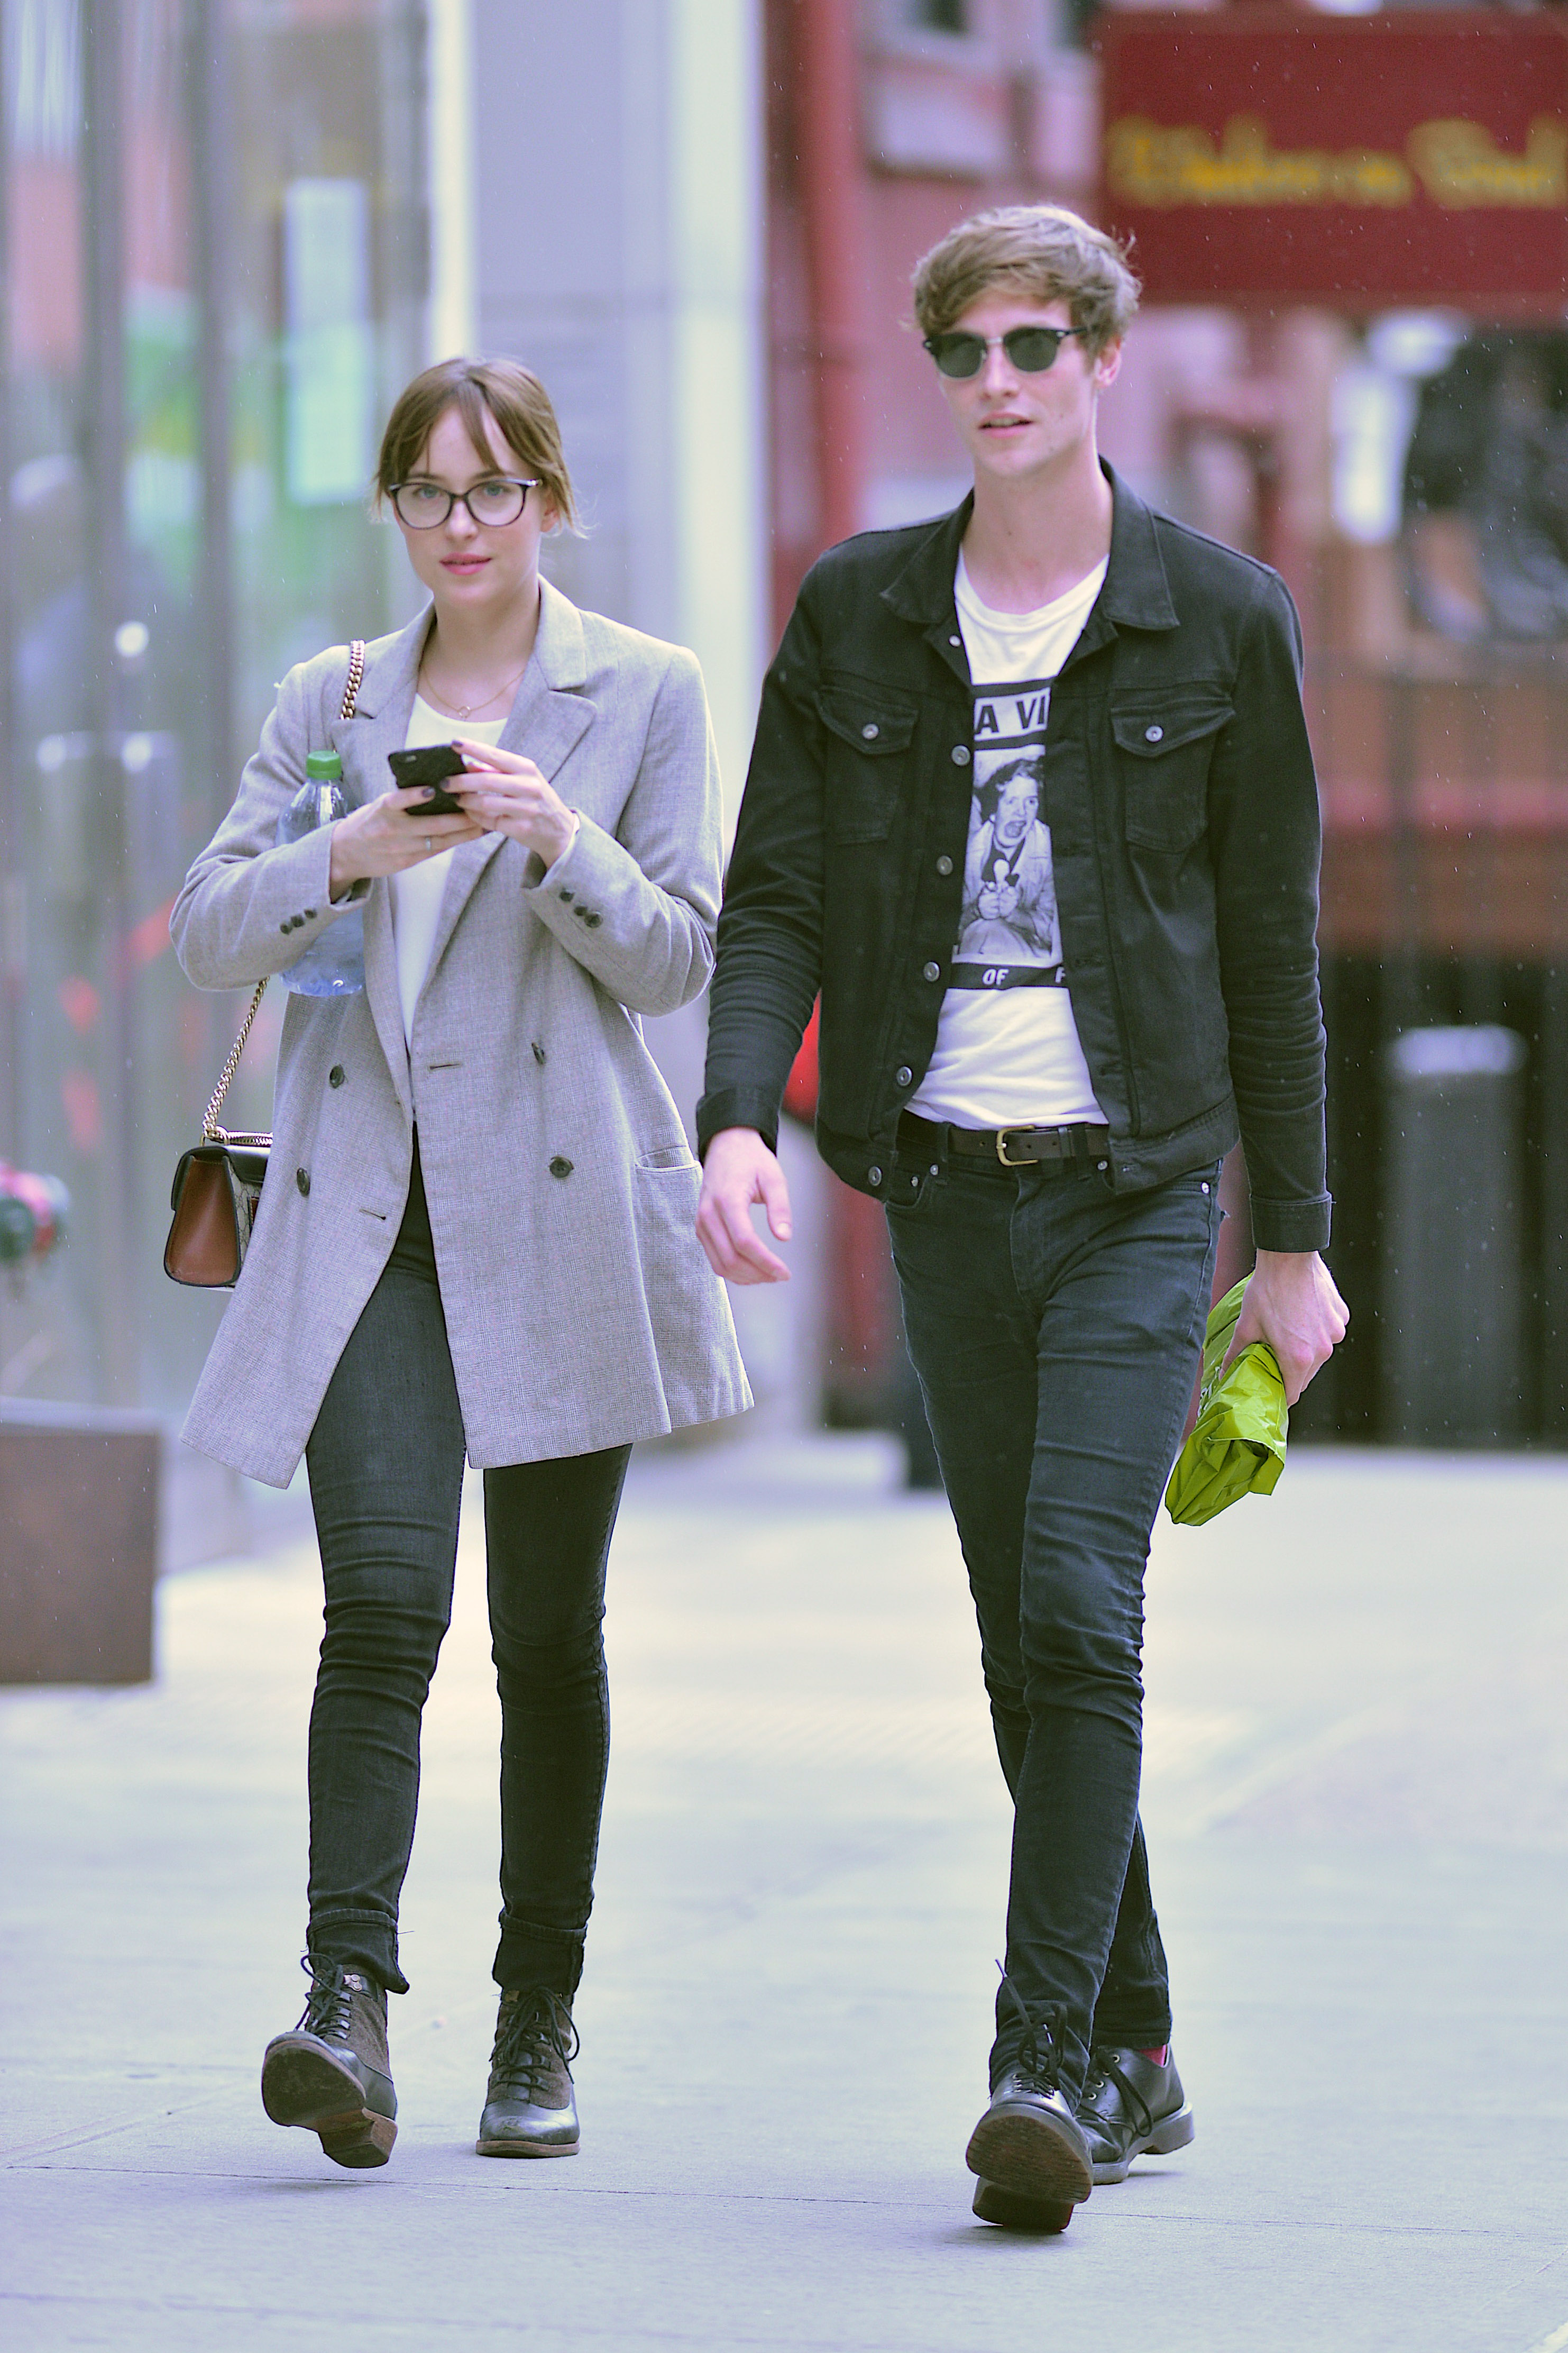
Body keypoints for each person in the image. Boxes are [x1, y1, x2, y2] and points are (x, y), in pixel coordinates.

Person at [695, 206, 1346, 2232]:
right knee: (1020, 1635)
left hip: (1138, 1184)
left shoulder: (1217, 617)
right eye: (965, 347)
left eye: (1035, 344)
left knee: (1081, 1603)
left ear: (1103, 362)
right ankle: (1140, 2036)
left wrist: (1298, 1238)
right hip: (943, 1185)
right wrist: (736, 1118)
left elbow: (1274, 942)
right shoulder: (863, 613)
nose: (998, 379)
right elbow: (779, 891)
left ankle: (1041, 2065)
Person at [171, 356, 749, 2172]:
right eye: (427, 493)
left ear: (550, 502)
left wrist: (548, 836)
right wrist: (347, 846)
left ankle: (537, 2008)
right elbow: (203, 931)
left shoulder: (640, 690)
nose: (462, 526)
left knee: (548, 1642)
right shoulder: (333, 699)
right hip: (369, 1227)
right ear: (395, 511)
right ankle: (346, 2003)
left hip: (559, 1215)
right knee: (381, 1618)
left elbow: (677, 961)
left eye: (494, 491)